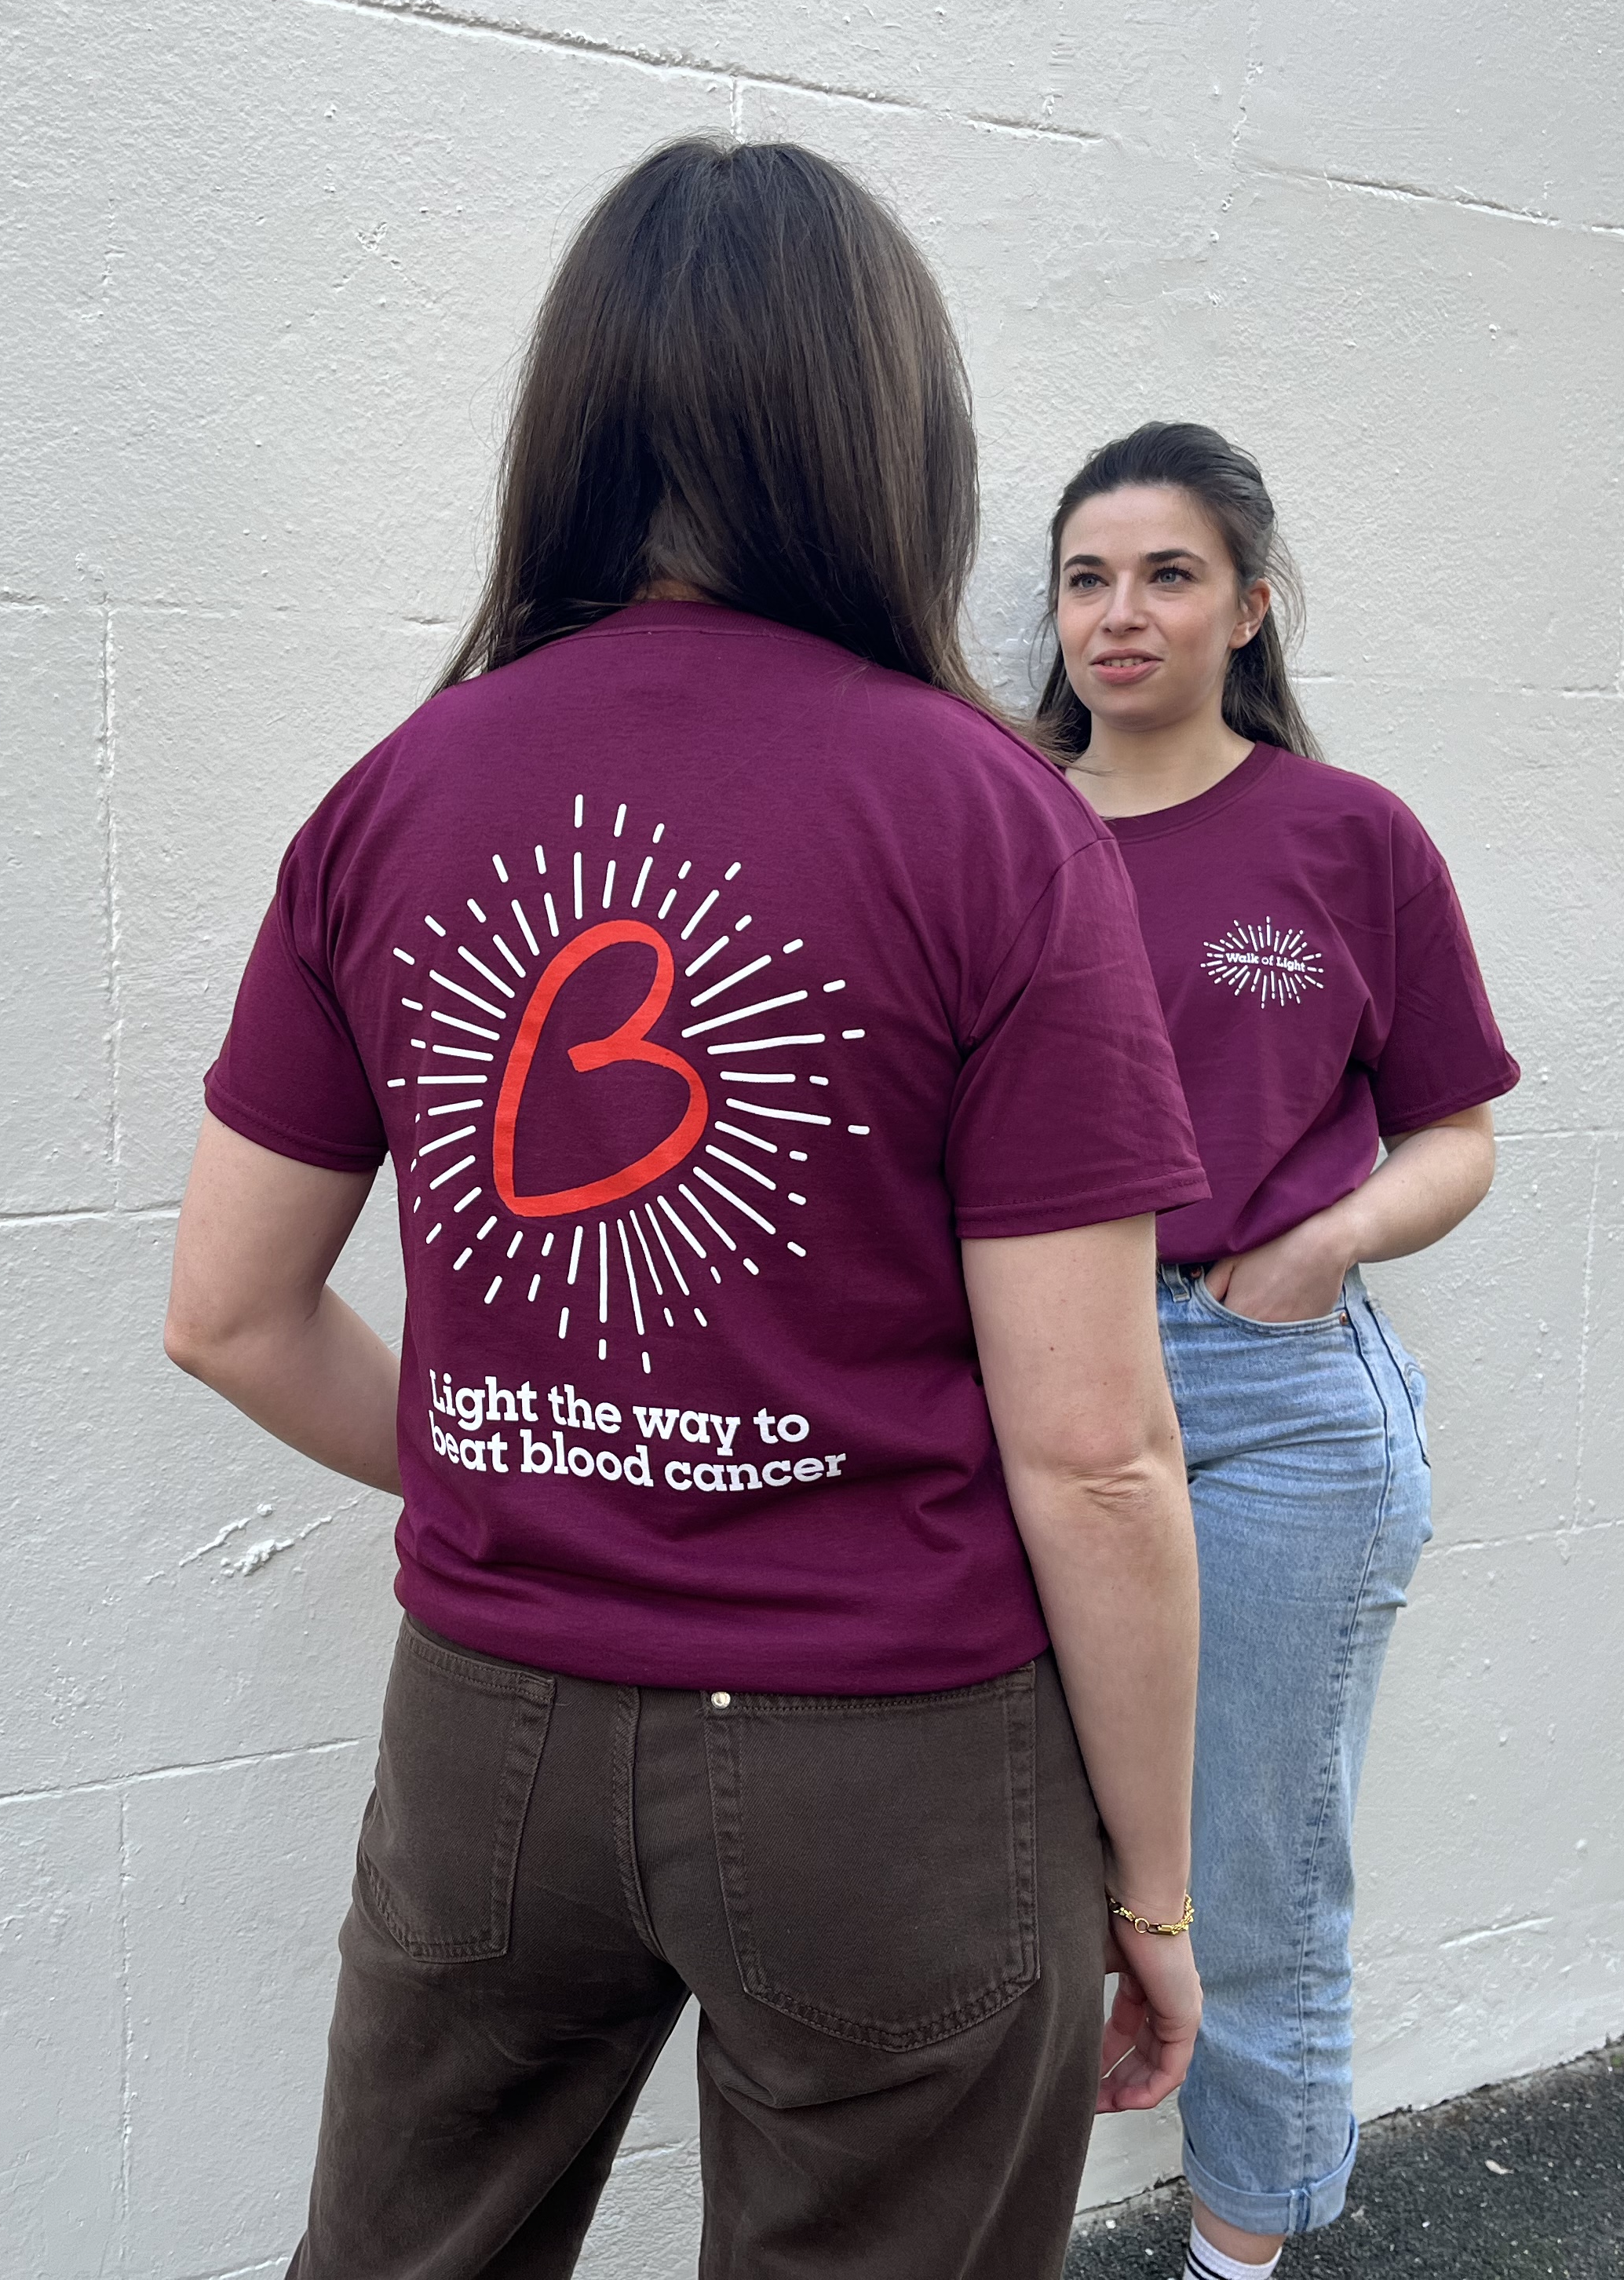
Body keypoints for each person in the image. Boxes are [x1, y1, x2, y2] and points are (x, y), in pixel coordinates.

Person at [166, 140, 1215, 2278]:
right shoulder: (992, 818)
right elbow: (1096, 1449)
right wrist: (1161, 1888)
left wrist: (531, 1465)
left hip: (487, 1735)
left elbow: (230, 1313)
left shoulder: (396, 792)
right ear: (889, 432)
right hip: (892, 1762)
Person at [1031, 422, 1520, 2280]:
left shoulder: (1344, 836)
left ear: (1250, 606)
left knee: (1246, 1881)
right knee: (1011, 1862)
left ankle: (1237, 2262)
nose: (1122, 614)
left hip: (1266, 1408)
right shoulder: (996, 810)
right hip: (1018, 1390)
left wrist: (1323, 1240)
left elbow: (1459, 1130)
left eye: (1168, 574)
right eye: (1088, 576)